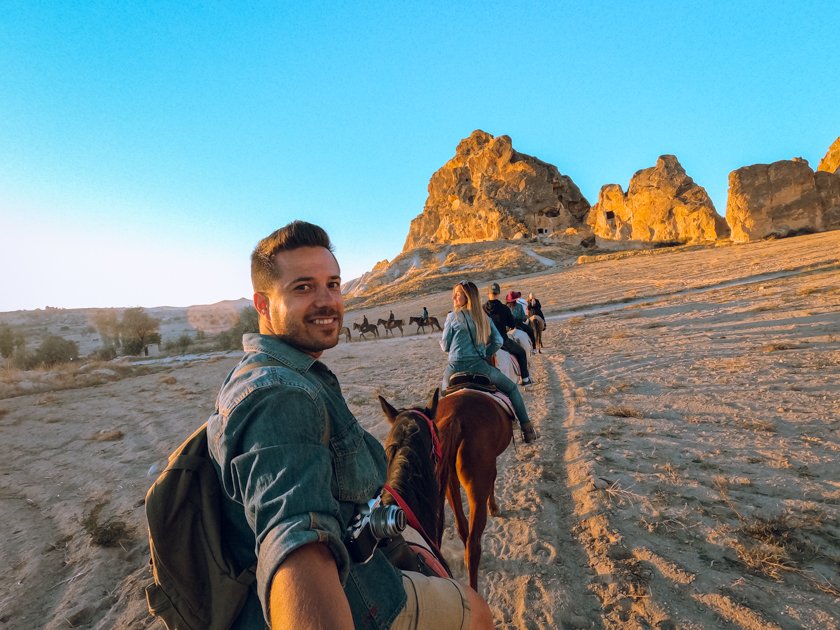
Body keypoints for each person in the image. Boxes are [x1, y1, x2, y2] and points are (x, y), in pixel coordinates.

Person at [207, 221, 492, 629]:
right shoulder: (281, 396)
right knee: (476, 610)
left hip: (362, 547)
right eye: (303, 288)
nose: (327, 301)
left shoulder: (293, 371)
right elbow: (296, 543)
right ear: (263, 305)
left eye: (333, 284)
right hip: (361, 592)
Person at [440, 280, 537, 444]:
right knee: (512, 389)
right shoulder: (483, 317)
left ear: (468, 297)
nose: (454, 297)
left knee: (441, 398)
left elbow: (445, 346)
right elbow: (498, 341)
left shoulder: (452, 317)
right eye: (454, 294)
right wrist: (486, 352)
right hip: (479, 366)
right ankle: (527, 429)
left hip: (454, 367)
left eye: (458, 294)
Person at [483, 283, 532, 386]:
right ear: (499, 293)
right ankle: (525, 379)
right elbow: (512, 324)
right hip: (502, 341)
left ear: (488, 293)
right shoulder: (504, 308)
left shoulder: (482, 309)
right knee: (521, 352)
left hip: (485, 342)